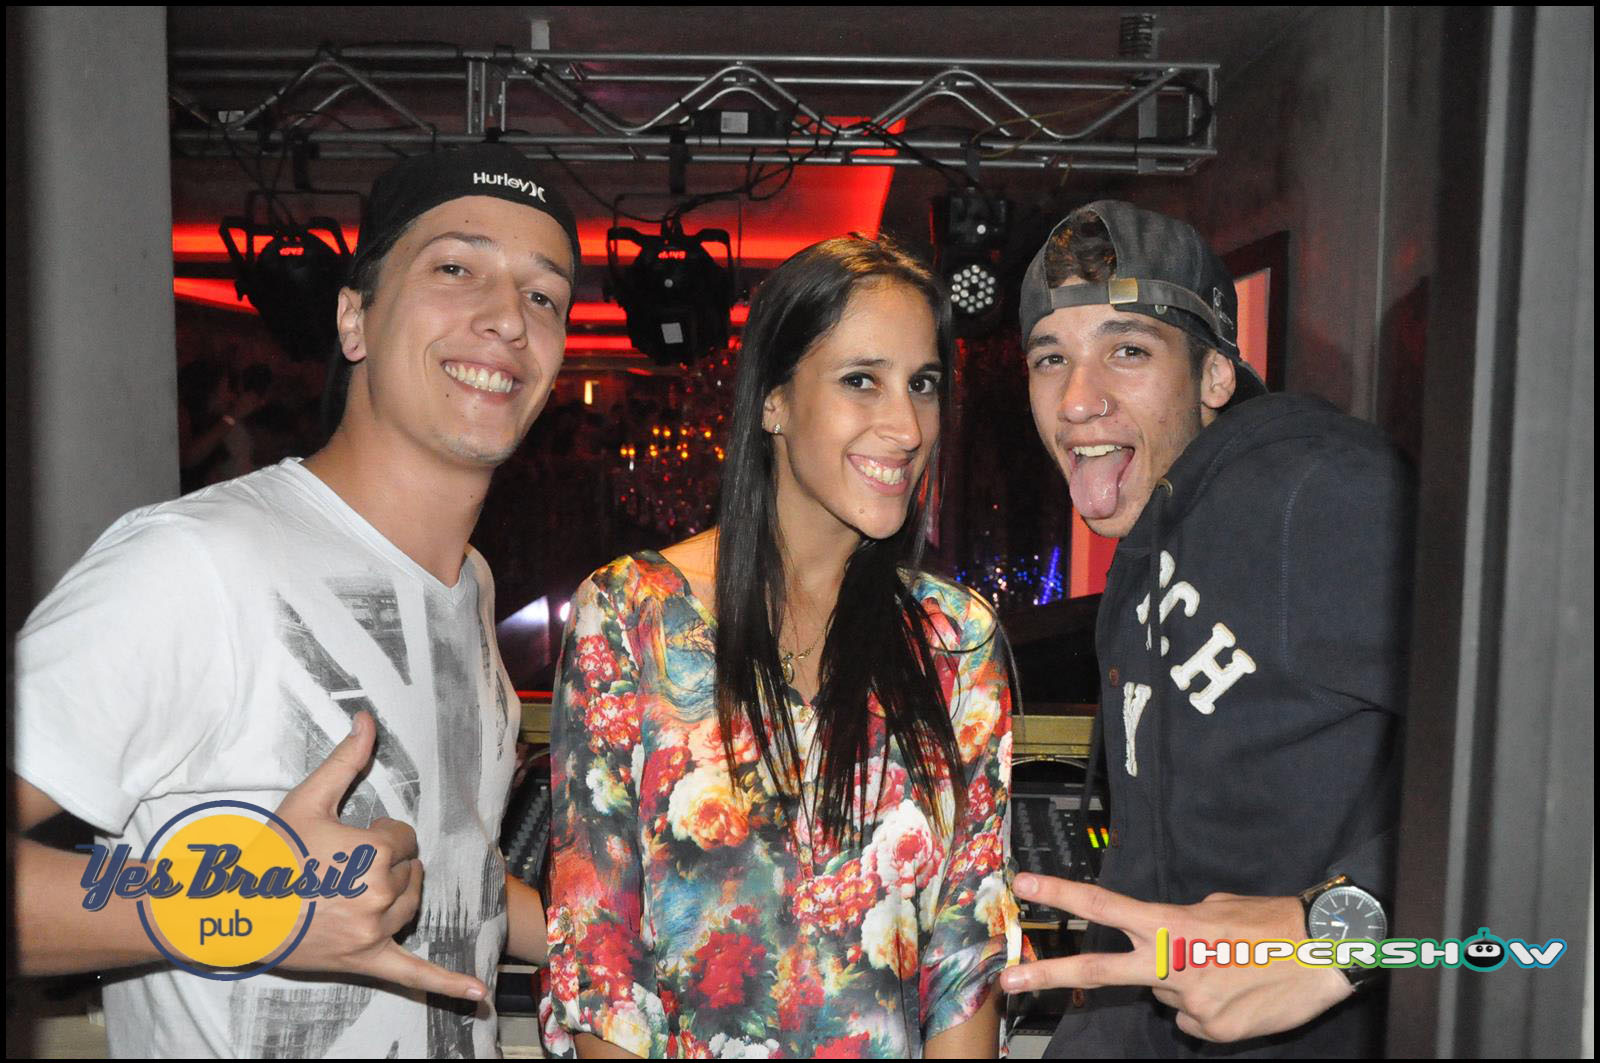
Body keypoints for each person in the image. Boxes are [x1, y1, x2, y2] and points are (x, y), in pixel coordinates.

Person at [12, 142, 583, 1056]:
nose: (508, 317)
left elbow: (445, 869)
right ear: (355, 320)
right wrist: (244, 908)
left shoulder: (468, 584)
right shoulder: (196, 562)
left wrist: (635, 946)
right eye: (455, 268)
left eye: (543, 295)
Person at [543, 237, 1024, 1058]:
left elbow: (966, 958)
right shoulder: (630, 615)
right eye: (861, 379)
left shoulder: (955, 640)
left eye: (923, 384)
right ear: (773, 400)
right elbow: (600, 956)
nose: (906, 426)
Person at [996, 201, 1414, 1056]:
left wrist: (1334, 931)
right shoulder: (1146, 542)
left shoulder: (1319, 495)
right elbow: (1152, 891)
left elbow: (1540, 770)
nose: (1077, 400)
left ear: (1216, 376)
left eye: (1127, 350)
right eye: (1051, 358)